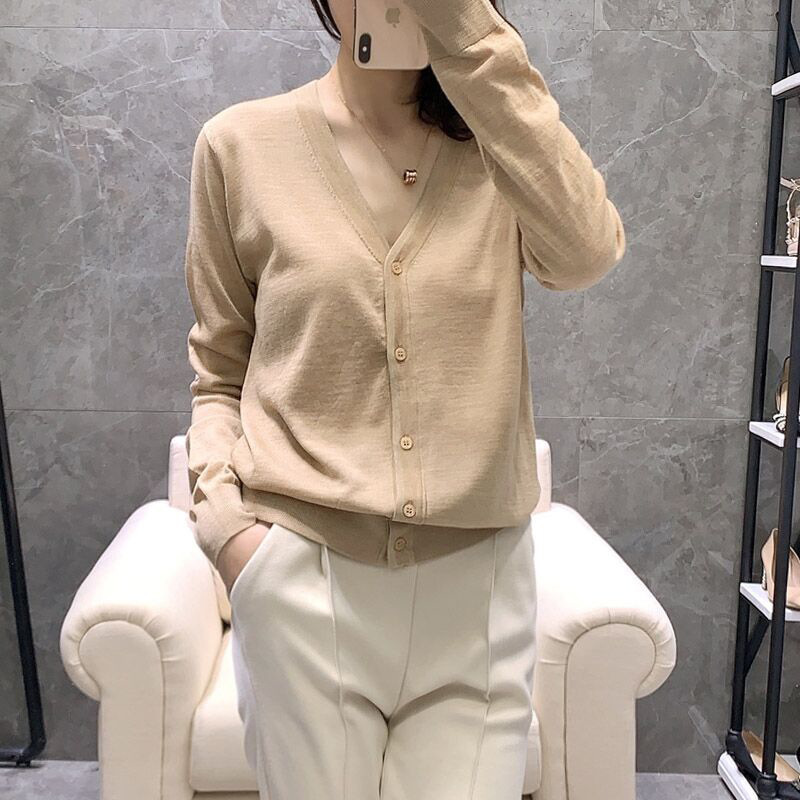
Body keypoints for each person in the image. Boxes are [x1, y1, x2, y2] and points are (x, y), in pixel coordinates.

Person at [183, 0, 627, 797]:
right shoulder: (239, 145)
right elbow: (220, 368)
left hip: (478, 592)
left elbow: (587, 253)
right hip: (302, 577)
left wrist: (471, 37)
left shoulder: (505, 148)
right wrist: (229, 534)